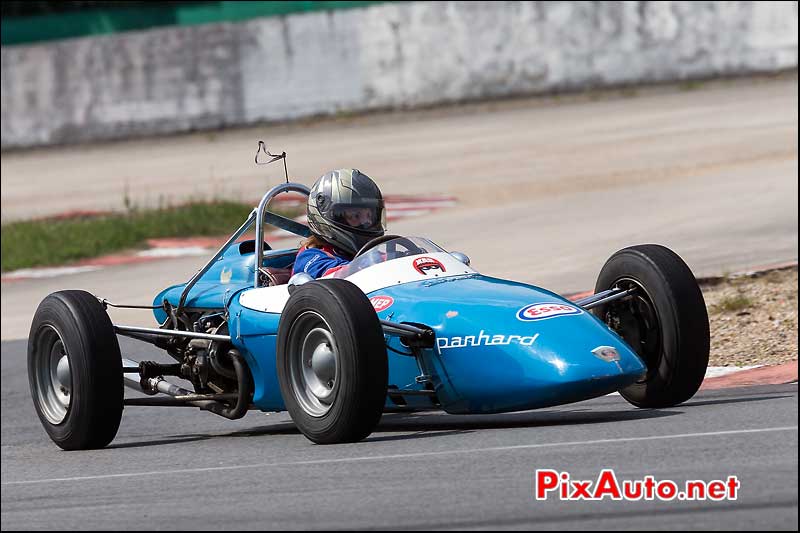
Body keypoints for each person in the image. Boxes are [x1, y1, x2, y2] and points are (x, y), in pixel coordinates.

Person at [292, 168, 386, 278]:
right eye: (355, 216)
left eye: (370, 216)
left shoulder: (366, 255)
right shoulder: (311, 258)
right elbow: (335, 275)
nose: (366, 222)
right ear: (331, 217)